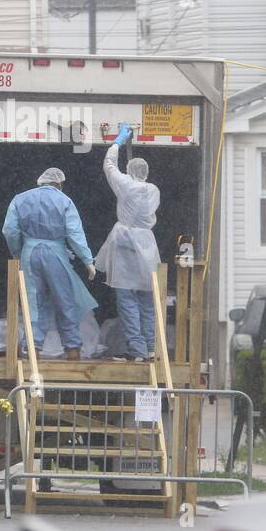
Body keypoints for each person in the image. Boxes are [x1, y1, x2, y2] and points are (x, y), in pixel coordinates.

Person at [2, 167, 98, 360]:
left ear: (41, 181)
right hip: (56, 254)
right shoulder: (65, 201)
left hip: (29, 254)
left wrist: (17, 253)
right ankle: (72, 349)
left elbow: (10, 230)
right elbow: (74, 233)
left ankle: (33, 347)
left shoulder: (20, 199)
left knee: (35, 303)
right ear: (59, 184)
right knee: (65, 300)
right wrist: (87, 260)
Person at [95, 123, 162, 362]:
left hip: (125, 244)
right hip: (147, 246)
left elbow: (109, 165)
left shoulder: (126, 185)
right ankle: (151, 348)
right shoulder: (153, 190)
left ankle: (137, 350)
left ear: (130, 170)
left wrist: (118, 141)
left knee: (127, 301)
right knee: (146, 299)